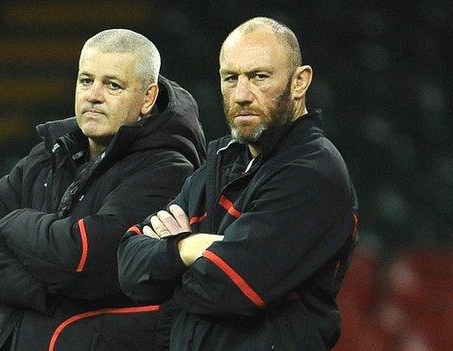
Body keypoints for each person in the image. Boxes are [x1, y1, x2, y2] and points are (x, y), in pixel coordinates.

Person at [118, 17, 358, 350]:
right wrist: (189, 247)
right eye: (231, 78)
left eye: (260, 77)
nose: (242, 94)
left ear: (300, 81)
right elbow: (129, 265)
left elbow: (226, 290)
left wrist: (168, 260)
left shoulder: (313, 172)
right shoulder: (222, 159)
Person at [0, 29, 206, 351]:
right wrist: (47, 291)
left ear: (148, 98)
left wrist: (11, 221)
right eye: (86, 80)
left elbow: (82, 260)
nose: (93, 95)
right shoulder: (49, 152)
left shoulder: (167, 170)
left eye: (112, 85)